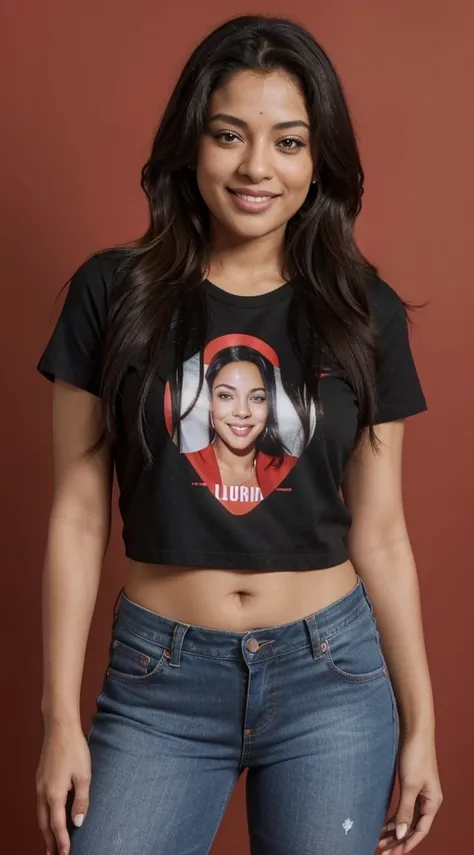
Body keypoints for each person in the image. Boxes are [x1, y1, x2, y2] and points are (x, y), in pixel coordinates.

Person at [35, 14, 442, 855]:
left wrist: (421, 723)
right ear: (192, 144)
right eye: (230, 135)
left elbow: (384, 531)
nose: (258, 167)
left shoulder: (363, 309)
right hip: (160, 681)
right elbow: (77, 517)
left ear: (318, 159)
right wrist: (57, 719)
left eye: (289, 142)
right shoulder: (113, 292)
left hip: (332, 676)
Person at [169, 342, 302, 513]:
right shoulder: (181, 466)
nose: (242, 411)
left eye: (257, 398)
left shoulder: (293, 470)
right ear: (210, 402)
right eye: (226, 396)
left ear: (270, 405)